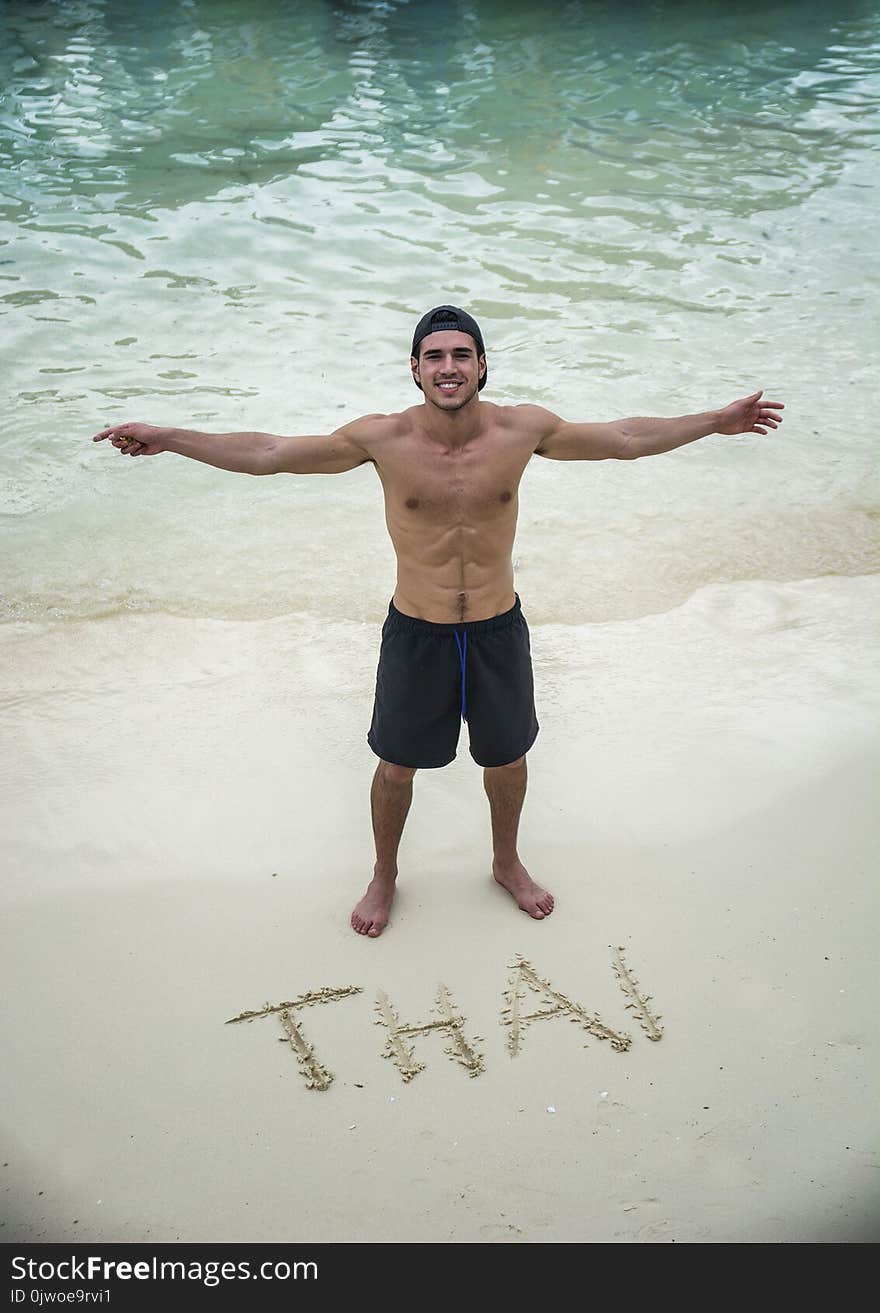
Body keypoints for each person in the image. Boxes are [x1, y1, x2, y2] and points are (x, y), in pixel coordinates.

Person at [93, 304, 784, 938]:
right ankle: (385, 874)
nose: (447, 366)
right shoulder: (382, 439)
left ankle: (506, 862)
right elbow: (270, 454)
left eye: (461, 354)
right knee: (396, 766)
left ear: (482, 364)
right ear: (415, 368)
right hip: (416, 631)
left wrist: (713, 422)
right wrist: (170, 437)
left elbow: (626, 437)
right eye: (433, 356)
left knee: (507, 758)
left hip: (495, 628)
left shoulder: (523, 430)